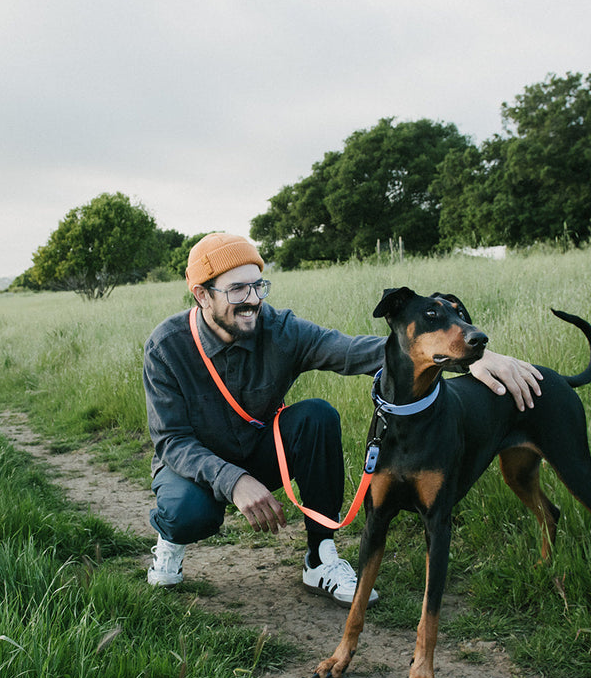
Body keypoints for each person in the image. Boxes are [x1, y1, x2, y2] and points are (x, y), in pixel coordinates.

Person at [143, 233, 543, 607]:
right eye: (236, 289)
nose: (252, 300)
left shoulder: (281, 330)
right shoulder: (166, 347)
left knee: (317, 415)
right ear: (201, 294)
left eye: (258, 286)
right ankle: (169, 541)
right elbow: (173, 441)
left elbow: (357, 352)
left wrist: (471, 356)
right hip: (192, 466)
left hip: (260, 450)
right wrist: (233, 480)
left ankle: (320, 559)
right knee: (187, 516)